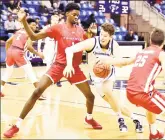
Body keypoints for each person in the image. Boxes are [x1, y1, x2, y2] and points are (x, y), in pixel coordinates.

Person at [3, 3, 102, 138]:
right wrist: (24, 21)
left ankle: (89, 118)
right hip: (58, 66)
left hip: (74, 68)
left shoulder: (80, 30)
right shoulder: (57, 28)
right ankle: (16, 126)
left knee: (90, 96)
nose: (76, 17)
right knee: (37, 92)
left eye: (78, 15)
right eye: (74, 14)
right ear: (66, 14)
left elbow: (89, 46)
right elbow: (34, 37)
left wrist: (93, 35)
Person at [91, 28, 165, 139]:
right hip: (143, 93)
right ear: (163, 43)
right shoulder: (163, 55)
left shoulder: (141, 52)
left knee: (150, 106)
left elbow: (124, 62)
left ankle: (153, 134)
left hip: (130, 92)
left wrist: (105, 59)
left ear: (150, 40)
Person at [63, 23, 143, 132]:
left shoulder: (114, 46)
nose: (102, 37)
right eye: (101, 34)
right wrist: (69, 65)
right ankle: (135, 118)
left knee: (108, 91)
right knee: (113, 102)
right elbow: (69, 50)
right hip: (96, 77)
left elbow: (120, 63)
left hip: (108, 73)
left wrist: (108, 61)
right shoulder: (92, 42)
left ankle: (120, 119)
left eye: (105, 36)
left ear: (110, 37)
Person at [0, 18, 46, 100]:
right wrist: (39, 54)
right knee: (31, 73)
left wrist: (8, 54)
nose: (35, 26)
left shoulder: (18, 31)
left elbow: (7, 42)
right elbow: (29, 47)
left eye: (36, 25)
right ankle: (39, 94)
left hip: (10, 51)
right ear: (28, 25)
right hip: (18, 52)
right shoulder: (30, 33)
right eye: (33, 25)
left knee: (7, 73)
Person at [39, 14, 62, 87]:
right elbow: (39, 38)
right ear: (51, 20)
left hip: (57, 48)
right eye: (54, 20)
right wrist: (39, 50)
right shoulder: (46, 28)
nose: (55, 22)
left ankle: (57, 80)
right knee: (49, 65)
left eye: (57, 20)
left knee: (58, 65)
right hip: (48, 48)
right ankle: (47, 81)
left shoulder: (60, 29)